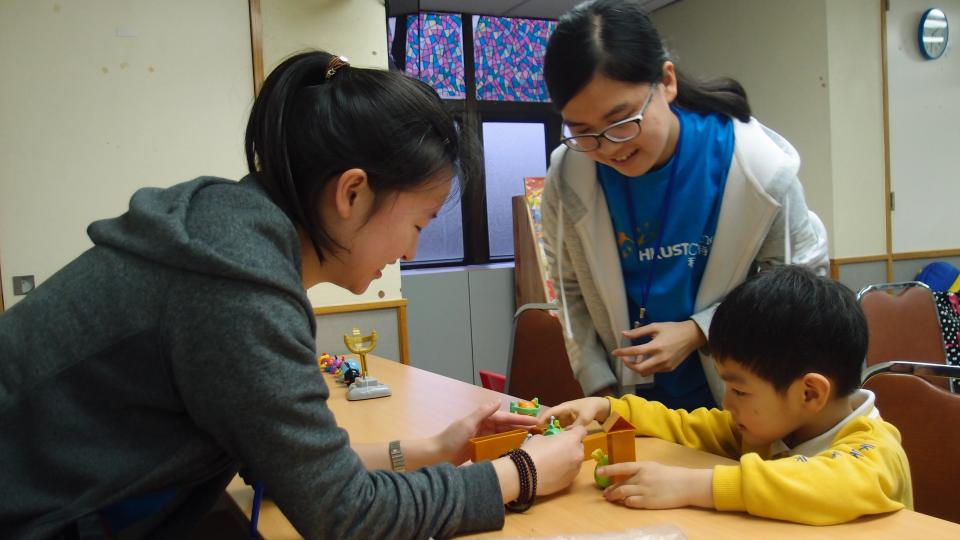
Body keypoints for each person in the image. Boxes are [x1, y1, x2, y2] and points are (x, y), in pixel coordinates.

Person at [0, 51, 587, 539]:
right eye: (419, 221)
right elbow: (346, 514)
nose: (411, 251)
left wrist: (437, 446)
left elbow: (290, 470)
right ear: (352, 192)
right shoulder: (236, 286)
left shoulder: (228, 234)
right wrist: (519, 474)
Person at [540, 0, 829, 409]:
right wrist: (604, 395)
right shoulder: (570, 176)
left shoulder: (756, 167)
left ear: (667, 82)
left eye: (622, 121)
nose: (608, 148)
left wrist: (699, 331)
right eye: (584, 132)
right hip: (637, 406)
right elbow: (569, 291)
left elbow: (798, 286)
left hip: (750, 405)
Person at [542, 265, 913, 525]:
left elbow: (827, 484)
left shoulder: (876, 452)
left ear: (809, 393)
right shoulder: (771, 428)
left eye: (738, 389)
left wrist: (692, 486)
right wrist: (611, 408)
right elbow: (688, 426)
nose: (727, 403)